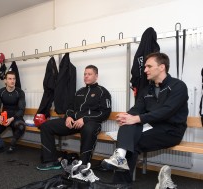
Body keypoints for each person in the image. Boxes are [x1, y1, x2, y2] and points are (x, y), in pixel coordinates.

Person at [101, 52, 188, 186]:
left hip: (172, 131)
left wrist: (136, 118)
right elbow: (137, 108)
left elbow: (167, 111)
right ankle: (119, 159)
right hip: (152, 127)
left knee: (130, 140)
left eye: (149, 66)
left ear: (162, 67)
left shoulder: (178, 86)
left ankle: (120, 181)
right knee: (129, 129)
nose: (145, 70)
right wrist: (127, 116)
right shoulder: (147, 89)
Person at [37, 65, 112, 171]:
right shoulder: (79, 92)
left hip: (91, 123)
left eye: (89, 74)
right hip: (74, 122)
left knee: (88, 129)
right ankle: (51, 161)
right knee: (45, 126)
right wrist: (68, 117)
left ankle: (83, 164)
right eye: (85, 74)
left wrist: (84, 119)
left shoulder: (103, 92)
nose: (86, 76)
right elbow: (70, 108)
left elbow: (105, 113)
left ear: (96, 76)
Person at [0, 71, 26, 154]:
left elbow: (21, 110)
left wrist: (12, 119)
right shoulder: (0, 92)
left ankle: (12, 145)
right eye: (10, 79)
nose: (12, 81)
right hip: (3, 116)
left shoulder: (20, 92)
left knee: (21, 126)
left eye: (14, 79)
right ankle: (1, 145)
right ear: (5, 81)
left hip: (15, 116)